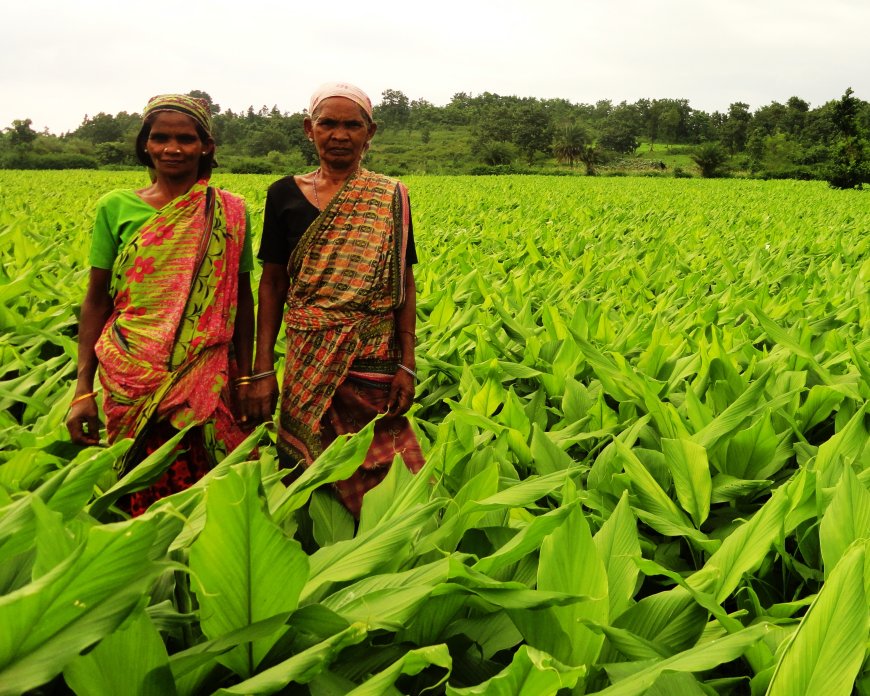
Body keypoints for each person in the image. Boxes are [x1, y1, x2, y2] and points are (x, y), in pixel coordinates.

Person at [66, 94, 255, 515]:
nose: (173, 148)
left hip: (208, 373)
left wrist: (247, 380)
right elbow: (96, 301)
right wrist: (83, 389)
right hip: (131, 372)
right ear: (145, 145)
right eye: (161, 137)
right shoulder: (116, 207)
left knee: (218, 499)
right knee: (139, 492)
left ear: (205, 145)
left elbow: (242, 301)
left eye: (185, 138)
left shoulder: (230, 212)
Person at [250, 82, 423, 517]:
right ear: (309, 130)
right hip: (308, 351)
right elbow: (271, 284)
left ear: (371, 132)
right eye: (328, 123)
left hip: (373, 356)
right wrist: (262, 366)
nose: (340, 134)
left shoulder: (391, 195)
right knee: (307, 468)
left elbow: (403, 280)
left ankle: (390, 544)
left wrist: (407, 361)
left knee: (384, 458)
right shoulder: (283, 195)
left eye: (352, 125)